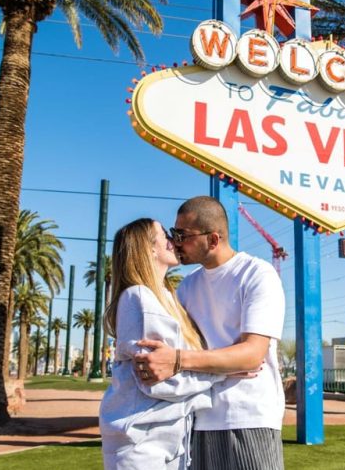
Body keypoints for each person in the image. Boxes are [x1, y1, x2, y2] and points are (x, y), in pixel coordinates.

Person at [136, 196, 286, 470]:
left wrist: (179, 360)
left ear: (213, 240)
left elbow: (252, 354)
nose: (175, 241)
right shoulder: (186, 287)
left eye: (183, 235)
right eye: (173, 233)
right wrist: (223, 364)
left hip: (248, 418)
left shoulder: (257, 274)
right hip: (196, 419)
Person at [99, 218, 225, 469]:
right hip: (140, 446)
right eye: (165, 235)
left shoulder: (168, 298)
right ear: (149, 248)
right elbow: (158, 382)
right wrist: (223, 372)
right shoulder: (138, 297)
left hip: (172, 443)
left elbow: (177, 368)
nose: (173, 241)